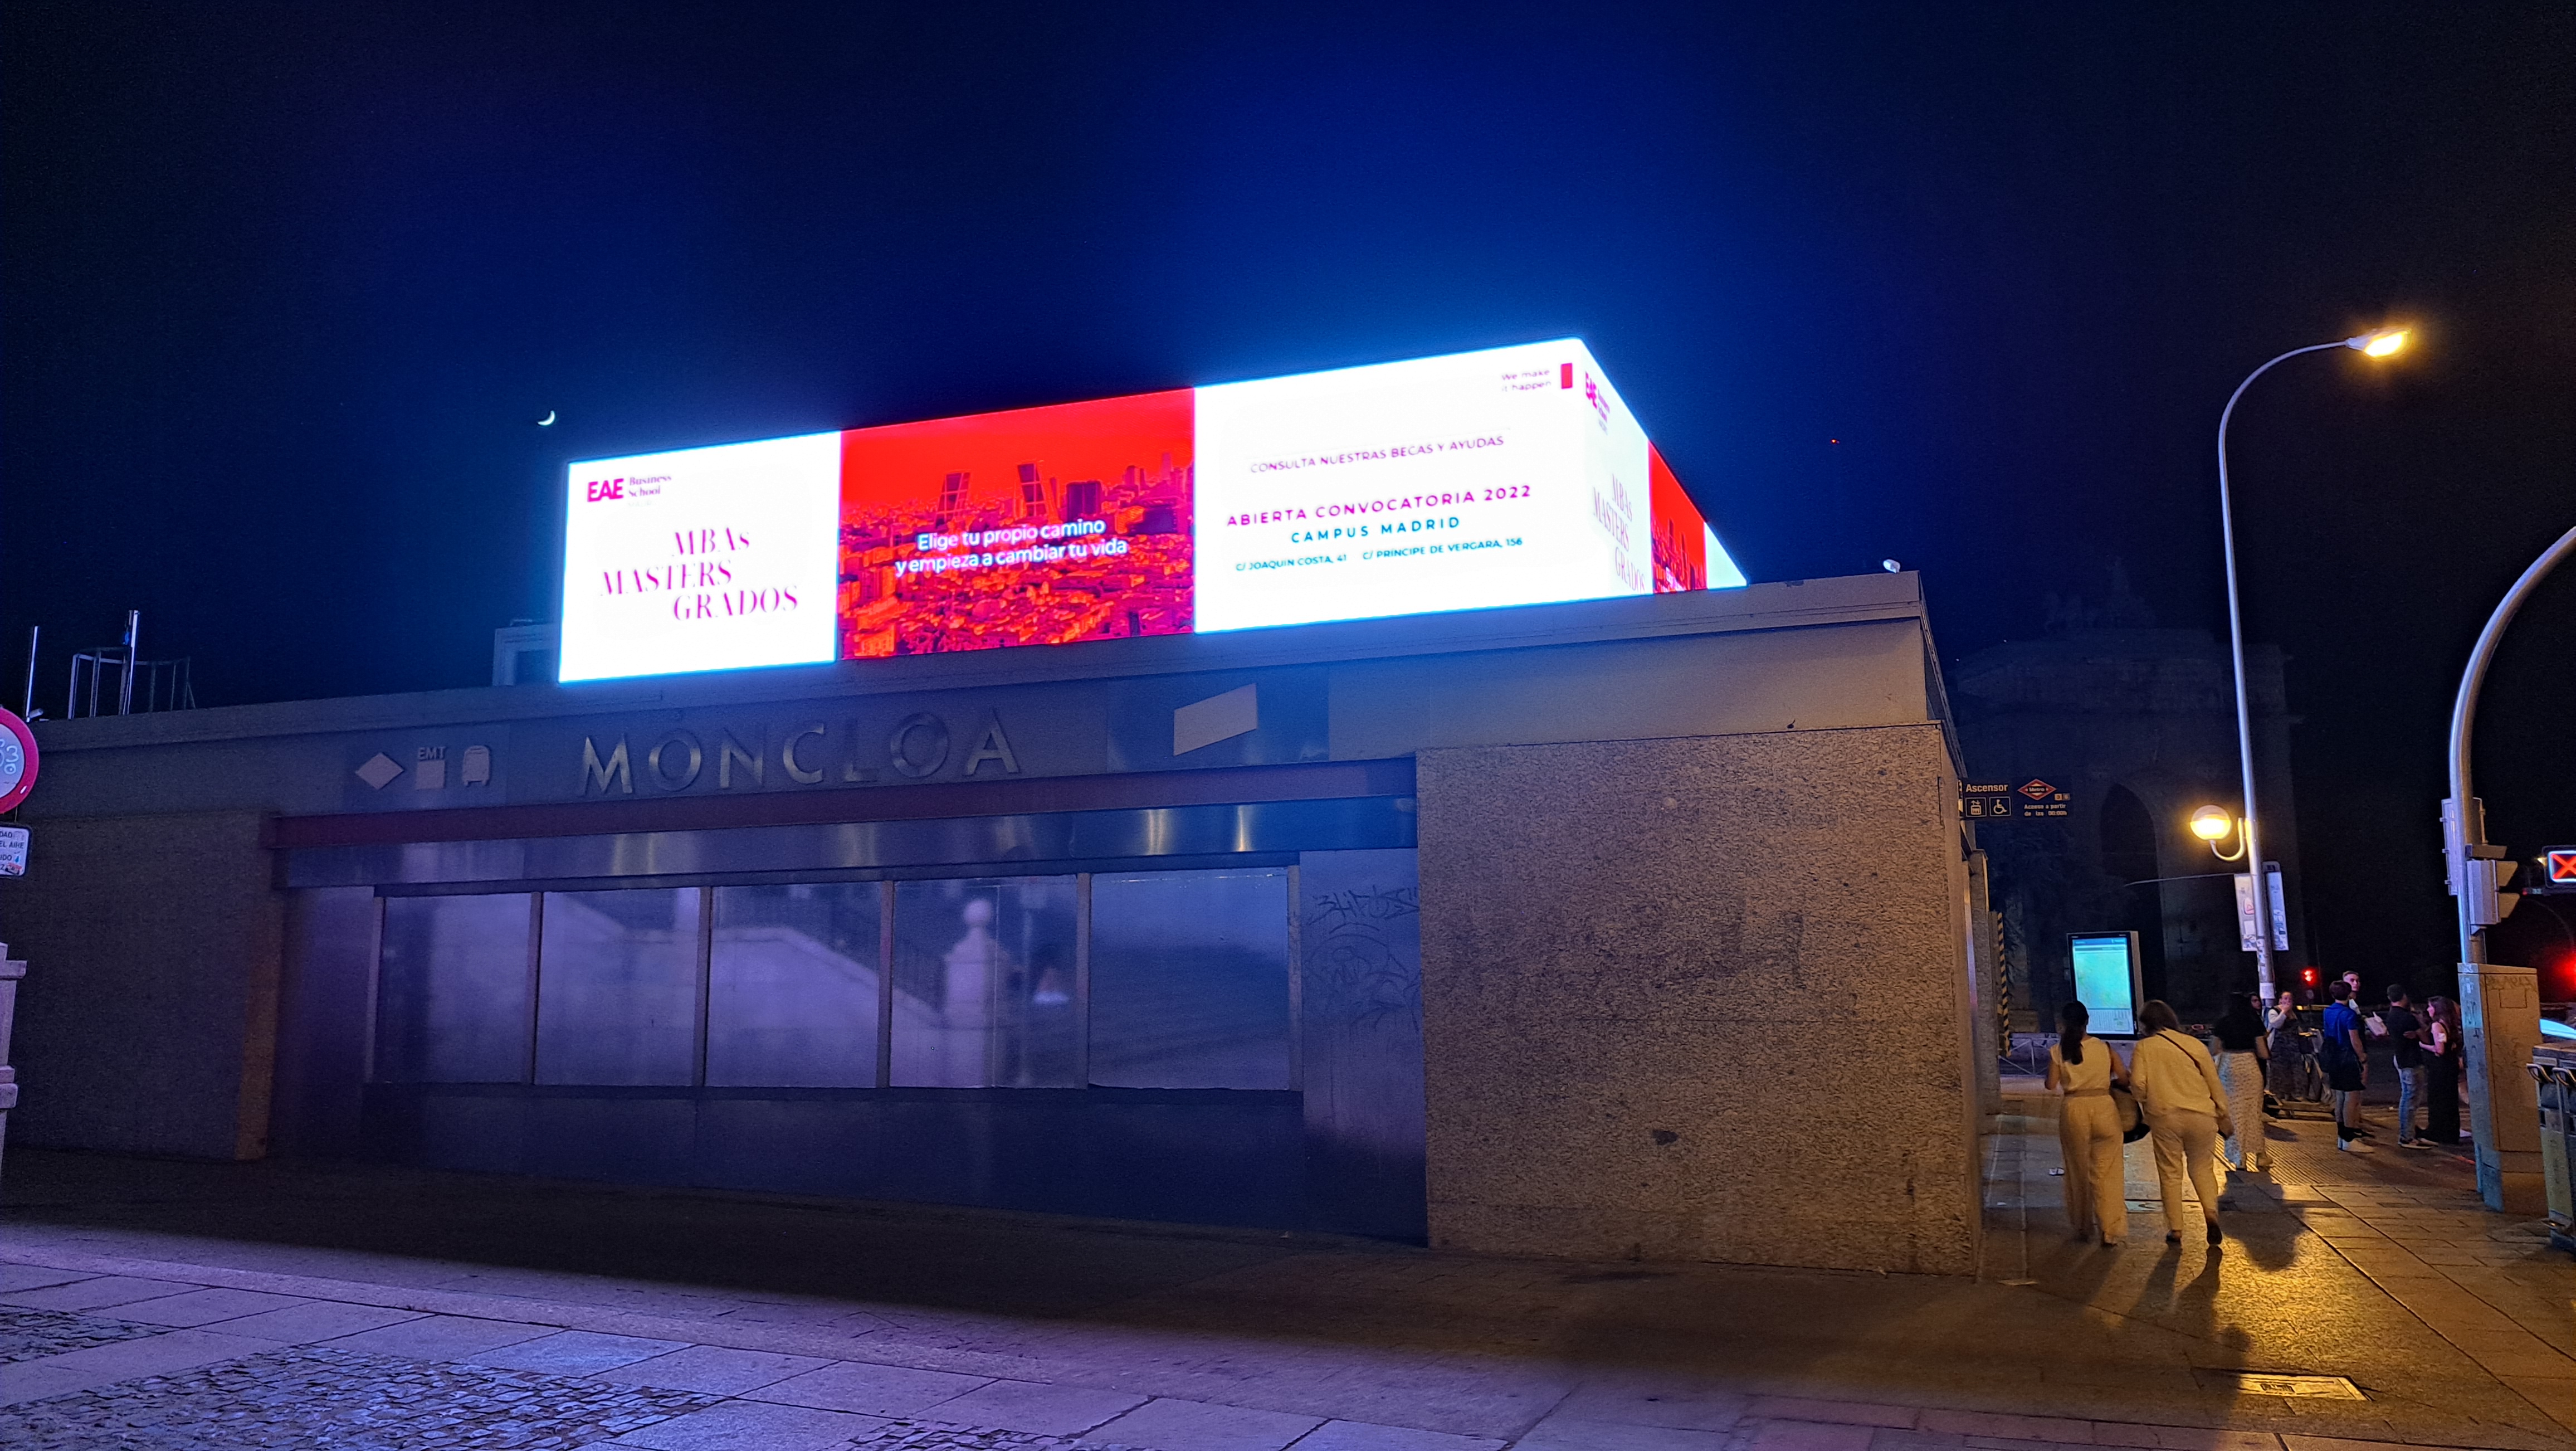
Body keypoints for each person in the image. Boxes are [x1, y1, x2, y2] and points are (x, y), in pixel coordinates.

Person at [2130, 1000, 2233, 1247]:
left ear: (2146, 1024)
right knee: (2202, 1168)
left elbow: (2138, 1084)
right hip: (2202, 1115)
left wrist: (2146, 1102)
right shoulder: (2193, 1044)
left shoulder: (2145, 1047)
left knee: (2170, 1172)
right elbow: (2213, 1081)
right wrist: (2222, 1111)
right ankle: (2211, 1214)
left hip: (2165, 1116)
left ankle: (2176, 1228)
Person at [2046, 1001, 2130, 1248]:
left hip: (2074, 1109)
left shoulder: (2059, 1051)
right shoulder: (2105, 1048)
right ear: (2088, 1021)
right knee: (2108, 1172)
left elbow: (2051, 1084)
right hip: (2104, 1107)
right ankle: (2110, 1229)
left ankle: (2083, 1226)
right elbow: (2123, 1077)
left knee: (2078, 1171)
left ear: (2064, 1024)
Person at [2209, 993, 2270, 1172]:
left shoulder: (2222, 1023)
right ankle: (2260, 1154)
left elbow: (2214, 1050)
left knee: (2234, 1113)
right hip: (2250, 1066)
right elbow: (2263, 1053)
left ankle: (2239, 1158)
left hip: (2229, 1067)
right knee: (2254, 1112)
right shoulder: (2254, 1022)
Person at [2320, 981, 2370, 1151]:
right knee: (2351, 1097)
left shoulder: (2328, 1011)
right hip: (2348, 1059)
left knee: (2340, 1097)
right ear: (2349, 994)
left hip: (2333, 1058)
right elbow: (2354, 1039)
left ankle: (2341, 1136)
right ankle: (2349, 1138)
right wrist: (2362, 1057)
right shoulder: (2349, 1015)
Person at [2384, 986, 2428, 1148]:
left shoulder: (2391, 1016)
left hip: (2400, 1058)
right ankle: (2407, 1137)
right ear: (2404, 996)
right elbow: (2426, 1039)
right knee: (2411, 1098)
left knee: (2407, 1096)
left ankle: (2408, 1132)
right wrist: (2419, 1027)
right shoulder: (2408, 1017)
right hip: (2411, 1060)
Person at [2423, 995, 2463, 1146]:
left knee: (2438, 1100)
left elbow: (2439, 1049)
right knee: (2450, 1101)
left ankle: (2437, 1132)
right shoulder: (2451, 1025)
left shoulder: (2437, 1026)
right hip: (2451, 1067)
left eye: (2431, 1007)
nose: (2428, 1010)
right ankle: (2451, 1133)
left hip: (2440, 1069)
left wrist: (2422, 1045)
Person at [2264, 989, 2306, 1107]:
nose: (2288, 1001)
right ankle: (2278, 1095)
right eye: (2285, 999)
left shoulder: (2294, 1013)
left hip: (2292, 1047)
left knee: (2294, 1071)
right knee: (2279, 1071)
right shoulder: (2274, 1011)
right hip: (2279, 1047)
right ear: (2280, 1000)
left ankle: (2293, 1094)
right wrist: (2283, 1012)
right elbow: (2276, 1024)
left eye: (2290, 999)